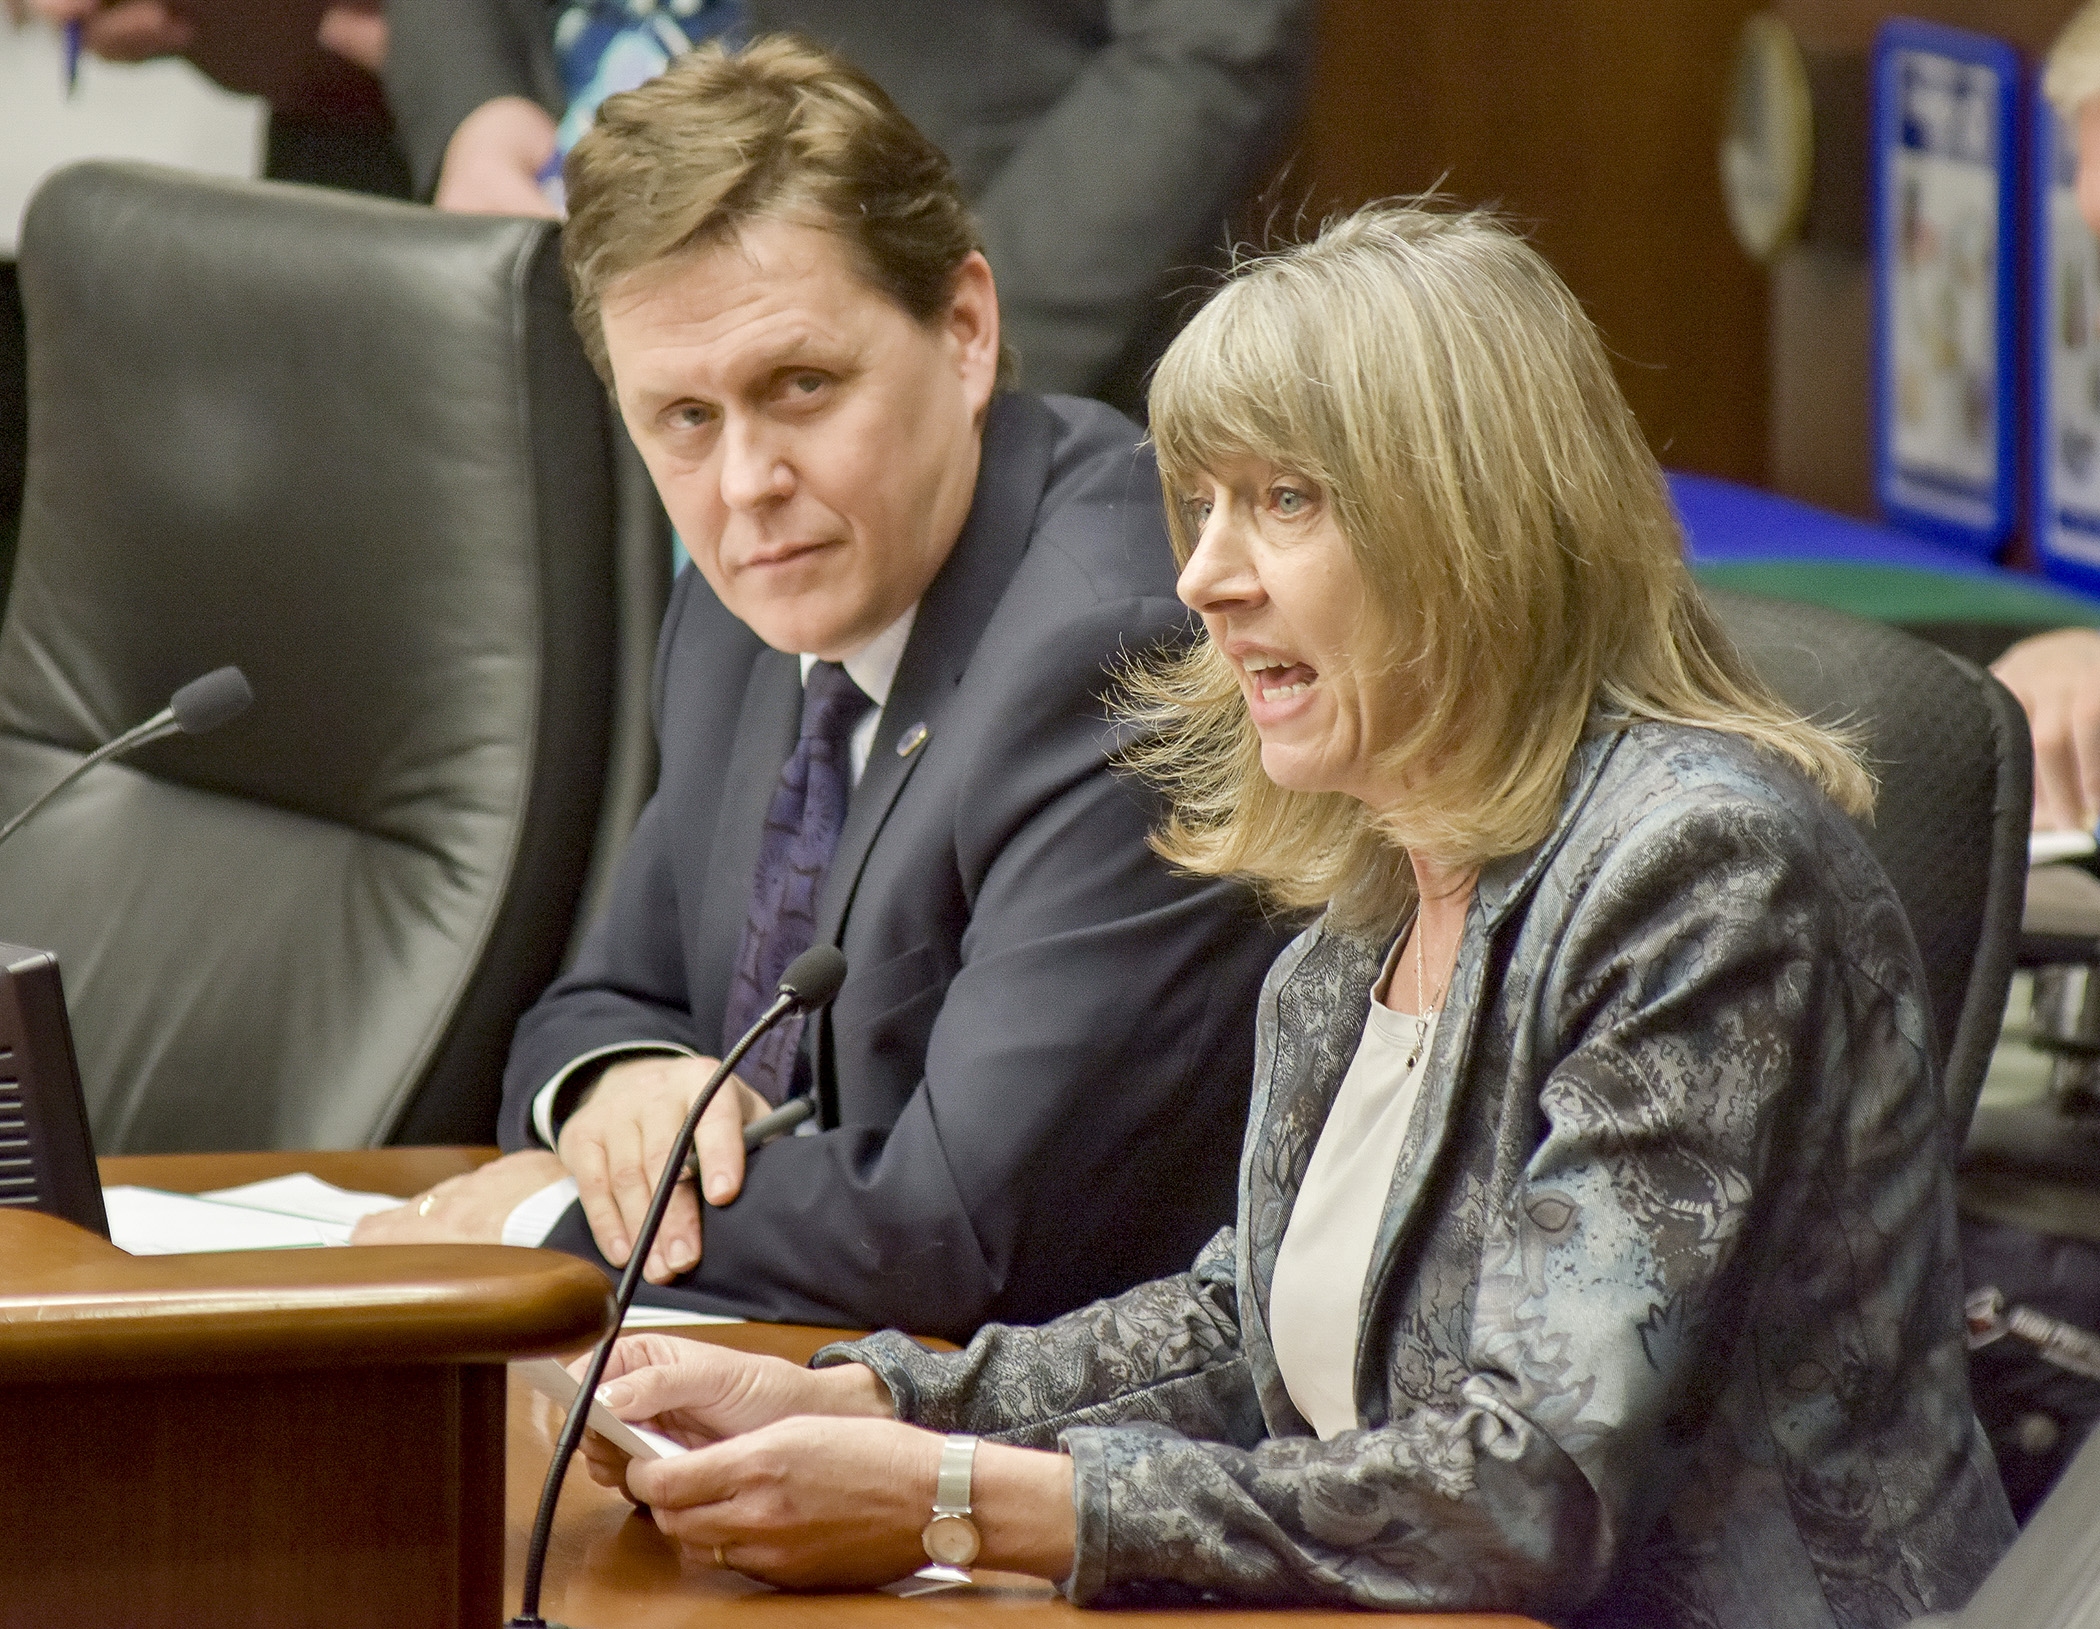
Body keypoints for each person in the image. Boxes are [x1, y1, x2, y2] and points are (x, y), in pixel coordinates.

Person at [558, 204, 2015, 1624]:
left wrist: (958, 1497)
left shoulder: (1702, 876)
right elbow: (1232, 1329)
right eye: (1205, 506)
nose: (1204, 576)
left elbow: (1533, 1489)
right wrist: (860, 1394)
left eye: (1286, 502)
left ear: (1473, 528)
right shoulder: (1373, 896)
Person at [350, 38, 1285, 1336]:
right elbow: (598, 999)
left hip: (1067, 1458)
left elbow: (955, 1229)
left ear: (964, 331)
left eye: (800, 387)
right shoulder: (752, 597)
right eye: (684, 418)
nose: (743, 484)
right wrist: (620, 1091)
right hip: (788, 1387)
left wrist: (536, 1218)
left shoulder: (1115, 645)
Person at [379, 0, 1310, 407]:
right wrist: (470, 105)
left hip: (940, 297)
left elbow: (1211, 39)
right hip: (538, 301)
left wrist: (943, 343)